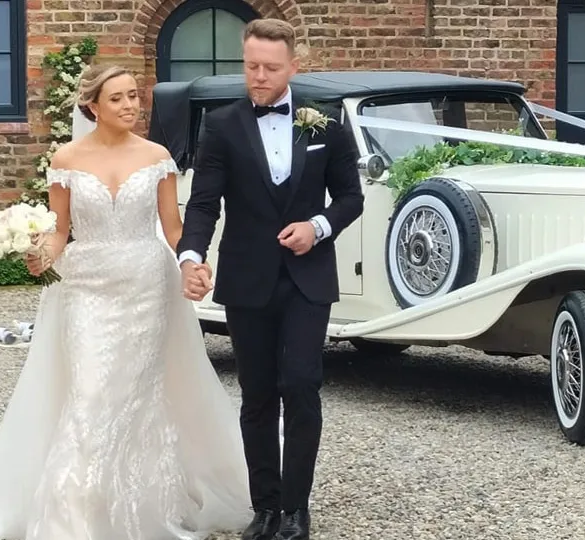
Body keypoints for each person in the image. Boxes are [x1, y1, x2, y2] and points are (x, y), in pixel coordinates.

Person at [0, 64, 254, 540]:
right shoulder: (65, 159)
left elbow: (174, 227)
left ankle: (139, 505)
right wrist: (40, 254)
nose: (129, 106)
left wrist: (192, 264)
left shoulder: (157, 156)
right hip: (86, 288)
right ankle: (75, 515)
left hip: (146, 285)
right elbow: (60, 231)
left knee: (135, 394)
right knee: (90, 392)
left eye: (134, 96)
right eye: (117, 98)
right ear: (93, 106)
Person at [177, 17, 364, 540]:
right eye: (251, 66)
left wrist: (317, 226)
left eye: (270, 68)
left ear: (293, 67)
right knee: (257, 395)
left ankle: (297, 508)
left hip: (308, 279)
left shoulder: (324, 122)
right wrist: (190, 257)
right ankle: (265, 507)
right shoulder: (222, 124)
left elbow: (351, 198)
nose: (258, 76)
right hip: (247, 278)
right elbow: (204, 204)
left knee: (301, 385)